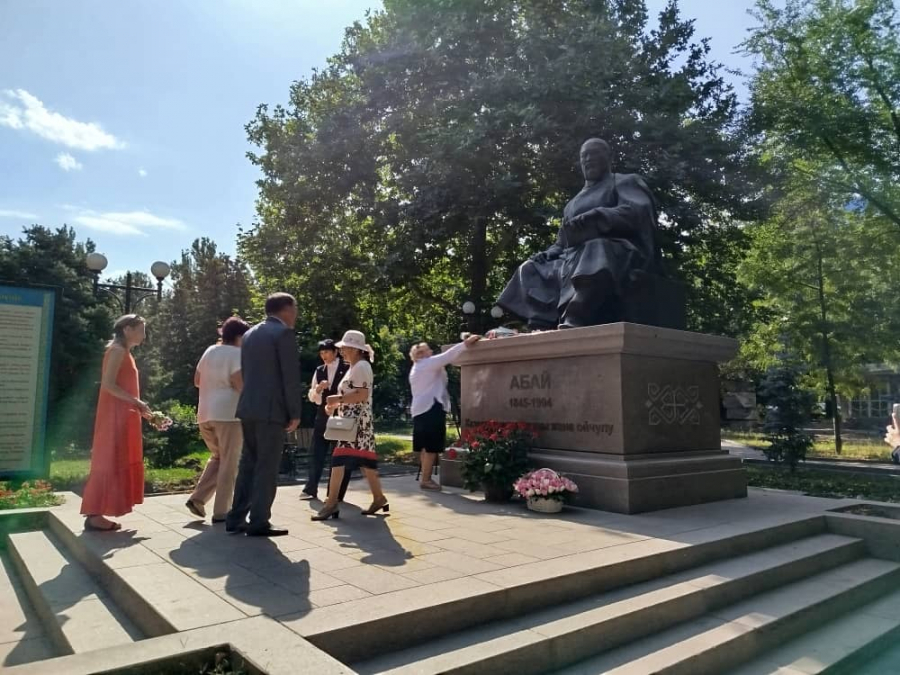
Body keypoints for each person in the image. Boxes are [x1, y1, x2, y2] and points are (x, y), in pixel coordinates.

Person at [496, 138, 659, 329]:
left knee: (596, 248)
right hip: (572, 256)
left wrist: (599, 216)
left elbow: (638, 212)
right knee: (530, 267)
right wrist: (550, 252)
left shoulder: (624, 181)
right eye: (584, 156)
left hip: (617, 249)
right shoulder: (572, 204)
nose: (588, 159)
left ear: (609, 157)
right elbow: (562, 240)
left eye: (594, 153)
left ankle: (577, 313)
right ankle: (541, 320)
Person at [225, 293, 302, 537]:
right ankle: (259, 521)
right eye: (295, 309)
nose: (296, 314)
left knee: (248, 463)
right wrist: (295, 412)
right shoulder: (283, 334)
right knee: (267, 466)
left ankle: (236, 518)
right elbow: (289, 377)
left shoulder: (249, 334)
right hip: (271, 410)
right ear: (285, 310)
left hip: (248, 407)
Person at [81, 314, 151, 531]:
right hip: (113, 415)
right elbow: (108, 385)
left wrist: (139, 407)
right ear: (127, 329)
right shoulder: (117, 351)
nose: (144, 335)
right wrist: (136, 402)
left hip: (123, 414)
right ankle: (94, 514)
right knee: (108, 459)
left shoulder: (125, 352)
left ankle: (99, 513)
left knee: (117, 458)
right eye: (140, 330)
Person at [312, 330, 387, 521]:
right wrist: (335, 405)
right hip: (354, 422)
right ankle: (378, 498)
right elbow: (355, 395)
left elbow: (361, 395)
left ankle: (331, 503)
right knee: (365, 462)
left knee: (339, 460)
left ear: (355, 349)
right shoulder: (356, 366)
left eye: (344, 348)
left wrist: (337, 399)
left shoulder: (360, 366)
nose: (342, 351)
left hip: (356, 423)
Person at [185, 317, 251, 522]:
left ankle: (197, 499)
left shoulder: (210, 351)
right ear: (239, 336)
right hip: (228, 415)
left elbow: (197, 380)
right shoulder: (236, 354)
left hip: (205, 414)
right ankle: (222, 511)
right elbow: (239, 384)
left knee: (219, 457)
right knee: (230, 462)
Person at [409, 334, 481, 490]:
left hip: (420, 410)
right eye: (427, 349)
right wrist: (466, 343)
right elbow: (448, 355)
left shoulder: (417, 367)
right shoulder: (426, 364)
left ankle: (425, 478)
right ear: (420, 354)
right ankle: (426, 480)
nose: (431, 351)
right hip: (431, 409)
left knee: (425, 447)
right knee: (431, 446)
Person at [302, 338, 350, 501]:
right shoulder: (320, 370)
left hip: (341, 414)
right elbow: (312, 397)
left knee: (339, 453)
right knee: (317, 451)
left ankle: (336, 492)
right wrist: (318, 389)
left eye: (327, 352)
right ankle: (311, 488)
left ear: (335, 352)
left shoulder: (347, 367)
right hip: (323, 414)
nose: (324, 356)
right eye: (322, 353)